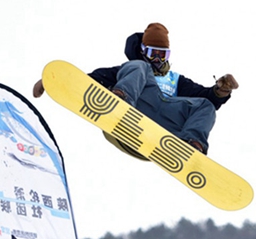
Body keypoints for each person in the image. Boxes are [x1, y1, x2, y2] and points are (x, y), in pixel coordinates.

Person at [32, 22, 238, 154]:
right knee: (140, 67)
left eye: (162, 55)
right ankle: (120, 102)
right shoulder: (132, 69)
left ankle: (190, 144)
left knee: (207, 106)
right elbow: (86, 81)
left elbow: (206, 98)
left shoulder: (177, 80)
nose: (157, 59)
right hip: (134, 112)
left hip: (165, 125)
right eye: (152, 52)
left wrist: (221, 90)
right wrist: (51, 82)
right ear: (142, 50)